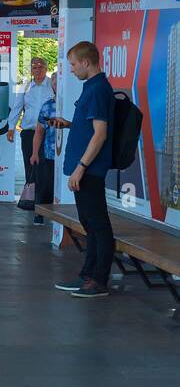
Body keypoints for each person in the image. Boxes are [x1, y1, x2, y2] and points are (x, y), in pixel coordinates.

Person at [51, 41, 115, 298]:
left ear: (86, 62)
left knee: (98, 225)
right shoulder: (91, 87)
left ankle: (98, 280)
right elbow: (91, 128)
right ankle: (87, 275)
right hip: (85, 169)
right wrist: (69, 125)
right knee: (89, 223)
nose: (72, 69)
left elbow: (100, 134)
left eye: (74, 64)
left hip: (90, 170)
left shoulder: (99, 89)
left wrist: (81, 167)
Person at [7, 56, 56, 219]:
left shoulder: (53, 85)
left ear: (46, 68)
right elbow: (17, 107)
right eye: (34, 67)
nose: (37, 69)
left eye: (41, 66)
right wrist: (11, 127)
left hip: (48, 132)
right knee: (31, 167)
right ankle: (31, 199)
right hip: (29, 132)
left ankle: (43, 205)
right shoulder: (26, 86)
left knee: (44, 168)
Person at [30, 88, 59, 227]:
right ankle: (39, 214)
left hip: (68, 155)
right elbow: (39, 131)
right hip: (50, 153)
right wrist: (35, 153)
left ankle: (57, 215)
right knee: (45, 185)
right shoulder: (47, 106)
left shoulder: (73, 103)